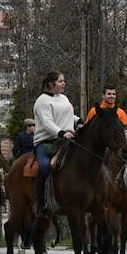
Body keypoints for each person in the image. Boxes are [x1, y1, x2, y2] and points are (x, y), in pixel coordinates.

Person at [33, 71, 80, 216]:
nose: (63, 83)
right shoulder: (42, 101)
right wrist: (61, 132)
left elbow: (68, 115)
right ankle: (41, 203)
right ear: (51, 84)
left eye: (64, 81)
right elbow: (47, 122)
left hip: (67, 139)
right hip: (46, 141)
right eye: (60, 81)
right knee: (45, 166)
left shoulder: (64, 98)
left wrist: (79, 121)